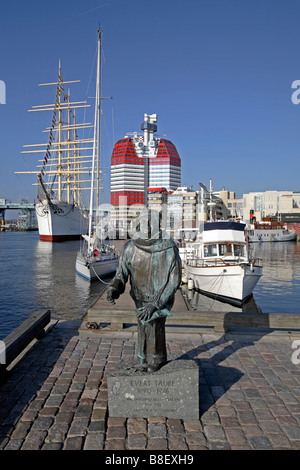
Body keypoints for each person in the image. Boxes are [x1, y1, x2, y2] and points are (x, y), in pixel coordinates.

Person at [106, 210, 182, 372]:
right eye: (144, 223)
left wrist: (156, 303)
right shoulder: (130, 248)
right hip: (140, 296)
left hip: (160, 298)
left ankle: (156, 358)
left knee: (154, 323)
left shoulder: (169, 247)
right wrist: (114, 288)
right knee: (142, 325)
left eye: (151, 223)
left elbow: (174, 280)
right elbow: (121, 274)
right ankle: (142, 357)